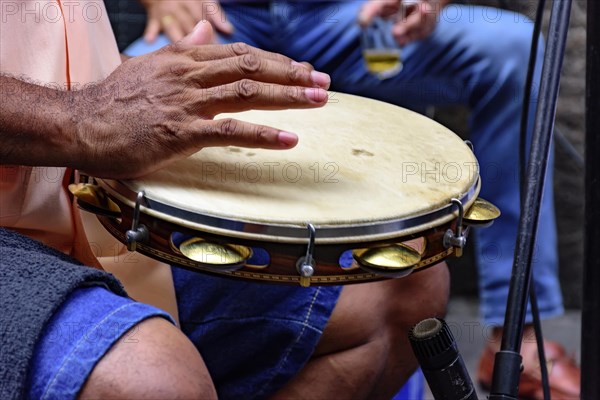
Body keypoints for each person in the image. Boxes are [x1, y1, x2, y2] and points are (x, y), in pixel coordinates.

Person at [124, 0, 581, 398]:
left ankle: (517, 337)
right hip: (224, 17)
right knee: (126, 90)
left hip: (352, 17)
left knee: (515, 48)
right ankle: (131, 324)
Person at [0, 1, 449, 399]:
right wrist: (83, 116)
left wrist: (141, 85)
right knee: (151, 380)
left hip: (85, 188)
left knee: (397, 280)